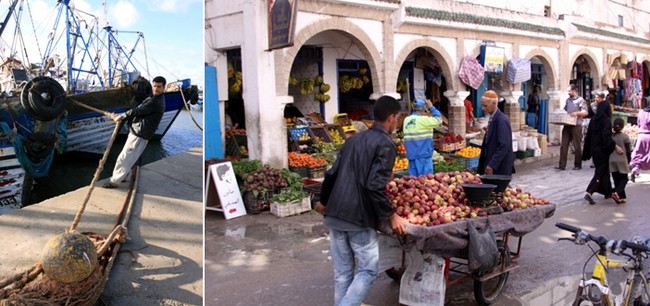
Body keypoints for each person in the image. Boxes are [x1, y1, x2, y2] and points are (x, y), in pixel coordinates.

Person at [313, 95, 406, 306]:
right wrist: (391, 215)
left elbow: (331, 174)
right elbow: (374, 185)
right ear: (391, 117)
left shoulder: (353, 140)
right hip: (358, 217)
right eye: (398, 118)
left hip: (335, 214)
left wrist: (324, 201)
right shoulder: (386, 144)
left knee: (344, 273)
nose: (397, 122)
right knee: (367, 270)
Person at [102, 76, 167, 188]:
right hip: (140, 132)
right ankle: (124, 177)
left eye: (159, 87)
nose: (156, 89)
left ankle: (114, 181)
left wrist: (121, 116)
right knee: (131, 157)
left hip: (139, 133)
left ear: (164, 88)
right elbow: (141, 109)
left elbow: (138, 110)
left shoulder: (156, 102)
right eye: (154, 86)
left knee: (124, 157)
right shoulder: (154, 98)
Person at [581, 100, 616, 205]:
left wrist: (587, 152)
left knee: (604, 171)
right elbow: (606, 136)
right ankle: (589, 192)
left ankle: (608, 192)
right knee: (600, 172)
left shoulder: (594, 119)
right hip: (602, 150)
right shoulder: (606, 120)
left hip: (594, 149)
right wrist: (613, 146)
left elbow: (588, 137)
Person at [402, 98, 443, 176]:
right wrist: (431, 107)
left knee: (413, 182)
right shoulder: (423, 120)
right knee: (425, 182)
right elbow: (439, 120)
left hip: (412, 156)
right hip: (423, 156)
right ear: (423, 109)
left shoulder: (406, 120)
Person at [477, 90, 513, 176]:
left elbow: (504, 145)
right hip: (491, 164)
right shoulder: (493, 118)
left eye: (485, 106)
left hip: (498, 168)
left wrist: (492, 165)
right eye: (482, 105)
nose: (483, 108)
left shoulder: (501, 120)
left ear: (494, 104)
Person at [555, 84, 588, 170]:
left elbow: (585, 112)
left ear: (574, 91)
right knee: (564, 145)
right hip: (567, 125)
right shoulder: (567, 100)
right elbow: (565, 110)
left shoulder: (581, 100)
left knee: (577, 145)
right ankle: (562, 165)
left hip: (576, 125)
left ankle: (577, 164)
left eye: (569, 91)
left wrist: (576, 113)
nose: (568, 93)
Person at [610, 118, 632, 204]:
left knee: (616, 180)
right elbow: (628, 151)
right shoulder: (625, 137)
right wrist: (628, 160)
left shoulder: (611, 137)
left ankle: (621, 197)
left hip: (612, 160)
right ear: (623, 126)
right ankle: (617, 193)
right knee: (624, 179)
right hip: (622, 160)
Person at [629, 103, 650, 182]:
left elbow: (638, 123)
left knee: (639, 154)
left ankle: (635, 169)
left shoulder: (641, 112)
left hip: (642, 136)